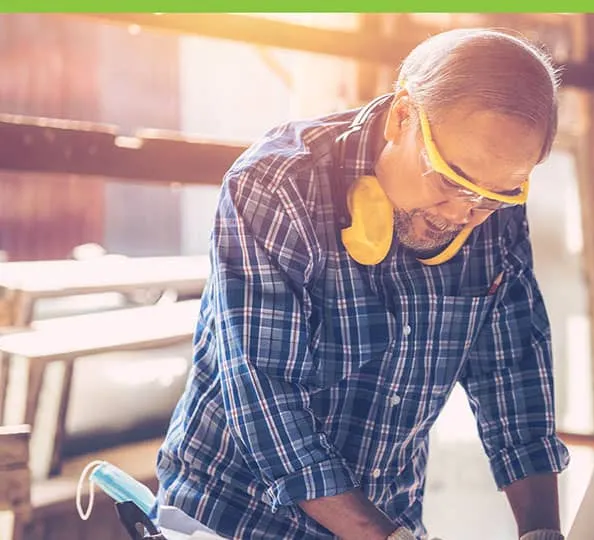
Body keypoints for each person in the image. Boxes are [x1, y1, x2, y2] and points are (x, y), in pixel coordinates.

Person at [155, 27, 571, 540]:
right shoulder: (277, 187)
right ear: (403, 115)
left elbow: (514, 374)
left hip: (385, 514)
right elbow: (267, 398)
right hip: (235, 516)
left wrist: (542, 532)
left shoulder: (493, 208)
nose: (466, 213)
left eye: (496, 195)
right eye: (450, 181)